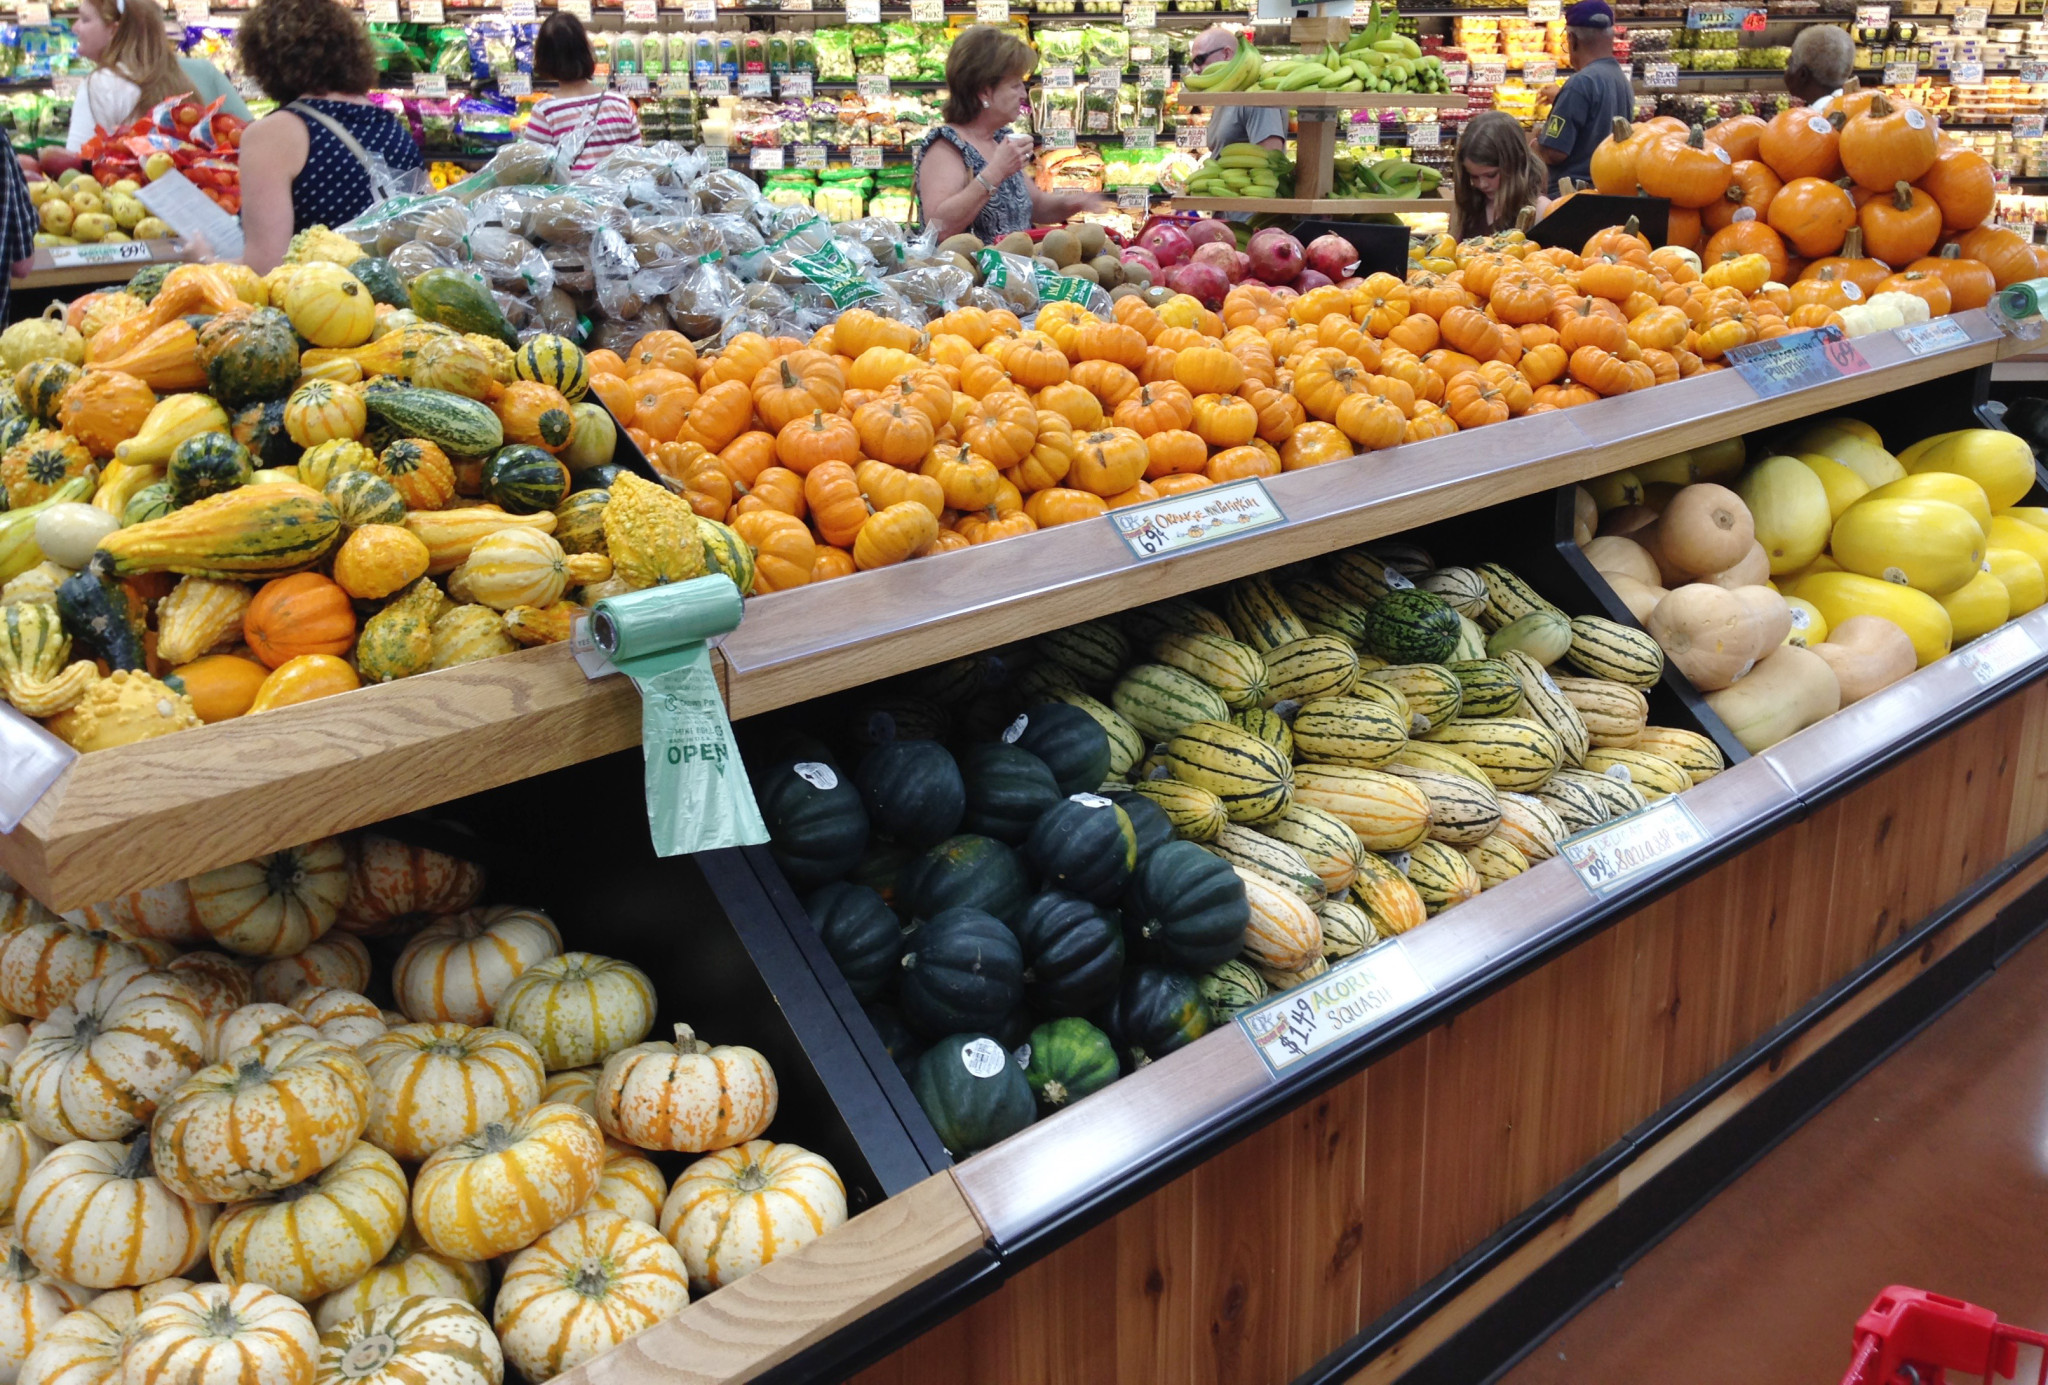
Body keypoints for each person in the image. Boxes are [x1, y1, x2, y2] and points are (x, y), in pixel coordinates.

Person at [235, 0, 423, 274]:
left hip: (324, 296)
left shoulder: (275, 133)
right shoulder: (388, 124)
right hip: (398, 294)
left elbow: (265, 267)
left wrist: (200, 258)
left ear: (263, 61)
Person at [916, 24, 1105, 243]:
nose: (1023, 94)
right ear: (985, 91)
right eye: (1015, 86)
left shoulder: (999, 139)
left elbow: (1037, 206)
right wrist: (996, 171)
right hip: (971, 266)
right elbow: (938, 228)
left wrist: (1076, 202)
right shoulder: (946, 147)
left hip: (1015, 264)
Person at [64, 0, 246, 152]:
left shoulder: (100, 83)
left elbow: (79, 160)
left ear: (114, 31)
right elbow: (245, 129)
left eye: (85, 19)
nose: (75, 27)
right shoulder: (182, 76)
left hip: (122, 184)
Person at [1531, 0, 1634, 196]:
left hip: (1570, 197)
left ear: (1572, 39)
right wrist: (1562, 99)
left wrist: (1534, 144)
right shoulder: (1620, 79)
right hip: (1605, 192)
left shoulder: (1580, 84)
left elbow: (1554, 152)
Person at [520, 13, 640, 178]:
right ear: (587, 51)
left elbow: (531, 172)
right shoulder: (620, 103)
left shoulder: (546, 112)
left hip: (571, 195)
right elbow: (638, 162)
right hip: (618, 194)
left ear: (543, 58)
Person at [1451, 110, 1549, 238]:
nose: (1482, 184)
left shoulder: (1540, 211)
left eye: (1491, 175)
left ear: (1515, 164)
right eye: (1474, 176)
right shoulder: (1468, 204)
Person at [1191, 26, 1283, 152]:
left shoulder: (1255, 96)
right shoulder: (1225, 93)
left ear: (1226, 54)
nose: (1195, 69)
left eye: (1199, 59)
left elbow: (1271, 154)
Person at [1785, 24, 1855, 105]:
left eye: (1790, 61)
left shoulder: (1812, 113)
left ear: (1802, 75)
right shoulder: (1856, 107)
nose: (1786, 61)